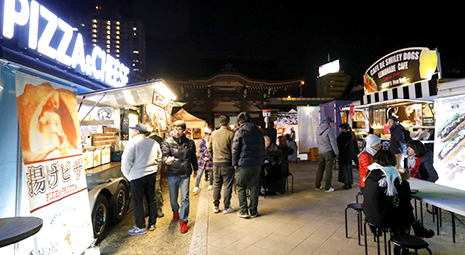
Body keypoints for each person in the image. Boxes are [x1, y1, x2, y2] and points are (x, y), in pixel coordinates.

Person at [363, 150, 434, 240]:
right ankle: (403, 241)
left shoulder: (371, 171)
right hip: (381, 217)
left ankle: (416, 227)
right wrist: (403, 181)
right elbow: (405, 196)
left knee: (403, 207)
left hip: (369, 213)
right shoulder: (389, 174)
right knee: (404, 207)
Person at [121, 123, 162, 235]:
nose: (132, 132)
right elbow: (159, 158)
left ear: (138, 132)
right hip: (151, 175)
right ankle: (152, 224)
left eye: (133, 130)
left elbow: (125, 162)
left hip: (137, 176)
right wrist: (155, 169)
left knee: (137, 202)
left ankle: (141, 226)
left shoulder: (132, 143)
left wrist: (129, 176)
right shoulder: (154, 143)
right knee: (151, 199)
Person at [162, 120, 198, 234]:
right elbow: (164, 156)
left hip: (185, 173)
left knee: (185, 198)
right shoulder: (168, 142)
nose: (177, 132)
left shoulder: (190, 142)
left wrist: (195, 169)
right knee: (173, 199)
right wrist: (166, 161)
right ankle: (175, 211)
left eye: (180, 129)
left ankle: (183, 221)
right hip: (172, 173)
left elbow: (193, 157)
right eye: (175, 129)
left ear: (184, 130)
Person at [232, 112, 265, 218]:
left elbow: (235, 150)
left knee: (241, 187)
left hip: (243, 164)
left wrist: (234, 163)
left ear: (239, 122)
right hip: (256, 164)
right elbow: (262, 148)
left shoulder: (239, 132)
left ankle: (244, 211)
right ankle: (254, 211)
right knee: (255, 187)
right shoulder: (259, 131)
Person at [209, 115, 236, 214]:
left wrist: (214, 157)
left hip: (216, 163)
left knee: (217, 185)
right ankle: (226, 207)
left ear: (220, 123)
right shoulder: (230, 134)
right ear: (228, 123)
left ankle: (215, 206)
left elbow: (209, 148)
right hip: (227, 163)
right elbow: (234, 150)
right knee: (227, 185)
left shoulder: (213, 134)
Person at [315, 116, 339, 192]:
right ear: (328, 123)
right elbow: (333, 142)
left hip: (321, 152)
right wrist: (337, 153)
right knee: (329, 170)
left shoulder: (317, 129)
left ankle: (317, 185)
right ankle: (328, 187)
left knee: (320, 169)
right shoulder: (329, 130)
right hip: (328, 151)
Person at [148, 130, 165, 218]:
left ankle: (158, 208)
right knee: (153, 190)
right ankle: (150, 209)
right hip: (147, 170)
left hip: (154, 170)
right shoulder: (146, 142)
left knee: (155, 189)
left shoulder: (157, 140)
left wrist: (157, 168)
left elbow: (160, 157)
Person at [337, 123, 359, 189]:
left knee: (345, 170)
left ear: (343, 129)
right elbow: (355, 145)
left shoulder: (342, 136)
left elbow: (339, 146)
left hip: (344, 155)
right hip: (351, 154)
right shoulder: (351, 134)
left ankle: (347, 183)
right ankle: (349, 183)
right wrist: (357, 152)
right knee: (349, 169)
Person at [193, 128, 213, 193]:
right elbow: (200, 150)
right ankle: (196, 186)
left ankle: (210, 184)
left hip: (210, 160)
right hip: (202, 160)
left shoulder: (212, 142)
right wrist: (204, 157)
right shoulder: (202, 141)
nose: (208, 136)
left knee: (211, 174)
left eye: (209, 135)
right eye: (207, 135)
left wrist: (209, 157)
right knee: (199, 174)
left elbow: (213, 151)